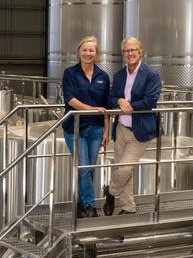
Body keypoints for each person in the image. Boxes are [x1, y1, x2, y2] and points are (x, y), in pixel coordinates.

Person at [103, 37, 161, 216]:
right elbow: (109, 99)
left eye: (133, 50)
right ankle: (128, 208)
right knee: (124, 171)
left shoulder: (151, 75)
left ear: (140, 51)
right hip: (121, 128)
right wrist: (119, 100)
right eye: (126, 51)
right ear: (123, 54)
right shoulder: (119, 75)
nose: (130, 53)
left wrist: (130, 106)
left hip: (141, 131)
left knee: (125, 168)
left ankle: (110, 192)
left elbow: (151, 100)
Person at [61, 36, 110, 218]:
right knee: (83, 167)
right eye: (85, 50)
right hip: (75, 128)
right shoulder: (70, 73)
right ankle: (91, 207)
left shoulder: (103, 77)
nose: (88, 54)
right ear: (79, 52)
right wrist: (91, 109)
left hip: (96, 129)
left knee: (90, 168)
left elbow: (107, 107)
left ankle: (81, 205)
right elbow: (70, 99)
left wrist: (106, 130)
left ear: (96, 53)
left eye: (91, 51)